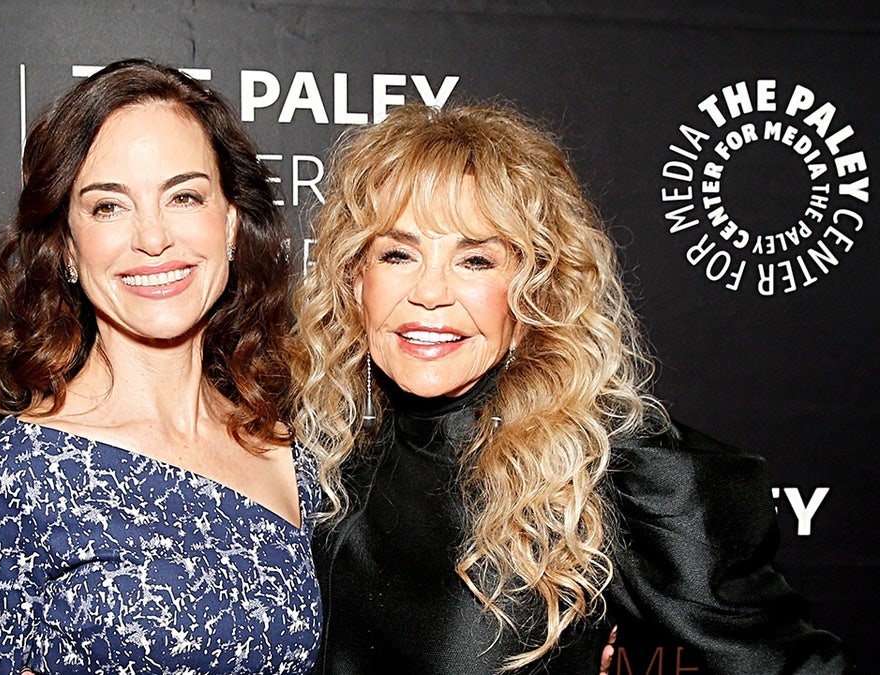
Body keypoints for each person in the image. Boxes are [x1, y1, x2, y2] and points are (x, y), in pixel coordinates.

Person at [290, 102, 848, 674]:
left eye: (477, 260)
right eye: (399, 254)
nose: (430, 292)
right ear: (355, 279)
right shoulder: (317, 452)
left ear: (536, 289)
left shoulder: (612, 474)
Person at [0, 59, 321, 674]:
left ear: (231, 223)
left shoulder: (295, 454)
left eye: (185, 196)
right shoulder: (10, 478)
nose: (153, 238)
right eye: (109, 207)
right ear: (65, 245)